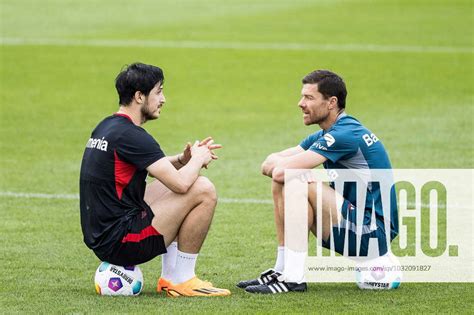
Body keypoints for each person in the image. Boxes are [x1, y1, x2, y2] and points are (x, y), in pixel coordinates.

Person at [237, 70, 398, 294]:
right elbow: (269, 164)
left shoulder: (344, 135)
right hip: (354, 224)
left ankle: (294, 279)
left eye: (309, 98)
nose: (300, 103)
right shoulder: (327, 133)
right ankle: (282, 270)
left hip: (373, 234)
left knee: (295, 180)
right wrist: (289, 170)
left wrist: (291, 171)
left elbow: (281, 170)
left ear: (332, 102)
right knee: (287, 179)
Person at [79, 62, 230, 297]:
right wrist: (198, 160)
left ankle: (170, 277)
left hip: (103, 235)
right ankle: (182, 279)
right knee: (202, 188)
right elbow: (180, 184)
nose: (163, 99)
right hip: (122, 242)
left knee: (173, 185)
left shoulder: (108, 126)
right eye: (158, 92)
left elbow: (151, 169)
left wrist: (183, 159)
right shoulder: (133, 136)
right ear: (140, 96)